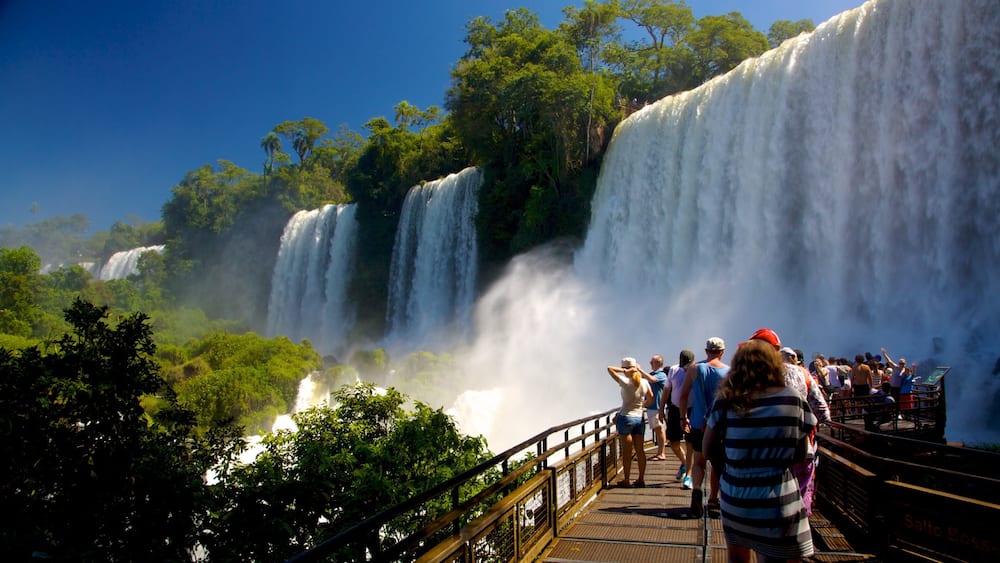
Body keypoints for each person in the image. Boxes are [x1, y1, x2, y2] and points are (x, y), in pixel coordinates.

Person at [703, 339, 818, 562]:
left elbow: (708, 449)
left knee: (737, 557)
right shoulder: (792, 398)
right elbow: (801, 453)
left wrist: (730, 469)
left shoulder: (726, 400)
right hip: (778, 496)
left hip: (736, 493)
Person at [679, 337, 729, 516]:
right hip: (720, 425)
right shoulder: (729, 372)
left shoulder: (694, 369)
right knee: (718, 463)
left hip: (698, 422)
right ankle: (714, 498)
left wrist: (683, 417)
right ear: (722, 352)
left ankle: (697, 489)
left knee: (699, 461)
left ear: (706, 351)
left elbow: (683, 395)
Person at [608, 357, 653, 487]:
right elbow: (650, 399)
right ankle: (641, 479)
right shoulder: (644, 382)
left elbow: (609, 369)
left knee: (627, 452)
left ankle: (626, 480)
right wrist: (641, 406)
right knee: (640, 451)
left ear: (625, 368)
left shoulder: (625, 381)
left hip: (625, 418)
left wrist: (624, 371)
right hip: (639, 418)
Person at [662, 349, 696, 484]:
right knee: (673, 443)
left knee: (690, 443)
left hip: (692, 409)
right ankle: (684, 463)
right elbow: (666, 390)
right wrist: (660, 409)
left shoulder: (698, 371)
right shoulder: (674, 370)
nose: (685, 369)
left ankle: (689, 475)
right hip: (675, 409)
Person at [637, 355, 669, 461]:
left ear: (658, 363)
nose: (650, 363)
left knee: (659, 430)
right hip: (651, 406)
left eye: (652, 362)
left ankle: (661, 453)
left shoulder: (661, 375)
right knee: (657, 429)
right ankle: (660, 452)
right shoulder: (652, 374)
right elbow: (643, 378)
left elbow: (651, 380)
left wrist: (639, 369)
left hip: (657, 407)